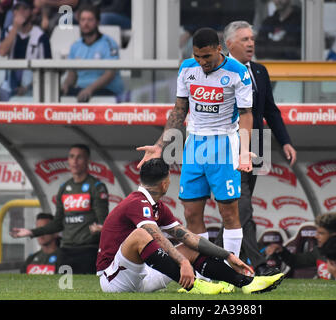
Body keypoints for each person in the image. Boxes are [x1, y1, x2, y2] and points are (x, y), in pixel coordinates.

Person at [137, 28, 253, 267]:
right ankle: (203, 272)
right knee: (191, 213)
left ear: (219, 49)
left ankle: (233, 272)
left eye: (207, 57)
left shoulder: (238, 72)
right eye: (198, 56)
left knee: (229, 213)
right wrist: (160, 145)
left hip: (224, 143)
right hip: (194, 144)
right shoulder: (187, 68)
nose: (202, 62)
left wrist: (244, 151)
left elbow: (246, 114)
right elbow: (179, 111)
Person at [97, 158, 285, 294]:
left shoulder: (158, 206)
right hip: (114, 279)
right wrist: (183, 262)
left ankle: (246, 282)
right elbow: (154, 236)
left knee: (190, 246)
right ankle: (194, 285)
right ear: (164, 183)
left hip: (143, 275)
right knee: (142, 234)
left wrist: (227, 255)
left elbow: (190, 237)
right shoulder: (136, 203)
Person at [219, 20, 297, 276]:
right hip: (231, 146)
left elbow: (271, 110)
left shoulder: (261, 71)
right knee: (243, 207)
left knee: (237, 209)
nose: (251, 43)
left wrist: (285, 140)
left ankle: (217, 258)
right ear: (229, 44)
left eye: (252, 39)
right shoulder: (219, 71)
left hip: (258, 142)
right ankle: (260, 264)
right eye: (244, 39)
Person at [11, 144, 109, 274]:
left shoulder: (96, 186)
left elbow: (104, 222)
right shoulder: (64, 188)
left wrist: (100, 228)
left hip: (89, 250)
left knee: (87, 292)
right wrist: (31, 232)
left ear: (87, 161)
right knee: (64, 289)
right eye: (71, 157)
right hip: (66, 250)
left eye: (79, 157)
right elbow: (57, 223)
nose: (74, 161)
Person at [61, 3, 124, 102]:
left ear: (98, 22)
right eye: (83, 20)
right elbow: (72, 75)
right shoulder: (75, 46)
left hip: (106, 91)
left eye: (90, 20)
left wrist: (89, 89)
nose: (86, 23)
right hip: (81, 90)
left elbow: (110, 74)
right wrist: (66, 85)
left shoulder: (109, 43)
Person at [0, 0, 52, 102]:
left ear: (31, 11)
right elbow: (2, 52)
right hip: (9, 86)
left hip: (33, 87)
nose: (20, 12)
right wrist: (15, 27)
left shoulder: (41, 36)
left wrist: (28, 87)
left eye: (24, 9)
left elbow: (46, 70)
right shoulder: (8, 31)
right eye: (17, 9)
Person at [265, 212, 336, 280]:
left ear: (334, 234)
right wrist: (281, 251)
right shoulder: (318, 251)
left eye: (321, 233)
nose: (316, 236)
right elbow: (295, 261)